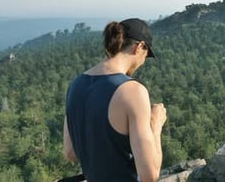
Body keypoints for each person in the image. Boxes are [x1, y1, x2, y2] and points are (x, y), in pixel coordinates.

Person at [62, 18, 167, 182]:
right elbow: (149, 175)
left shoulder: (75, 85)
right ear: (139, 47)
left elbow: (70, 152)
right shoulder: (132, 91)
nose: (142, 63)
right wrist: (155, 124)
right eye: (145, 56)